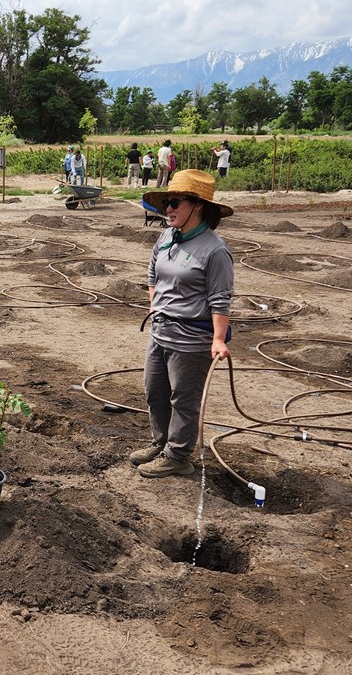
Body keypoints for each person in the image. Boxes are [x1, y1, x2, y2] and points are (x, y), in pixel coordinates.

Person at [129, 169, 235, 479]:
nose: (168, 209)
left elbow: (220, 299)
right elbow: (152, 276)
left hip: (191, 340)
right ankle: (161, 443)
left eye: (175, 202)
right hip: (161, 331)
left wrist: (218, 339)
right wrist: (157, 307)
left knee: (183, 399)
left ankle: (178, 455)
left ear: (198, 205)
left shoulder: (214, 250)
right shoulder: (166, 237)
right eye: (166, 204)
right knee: (155, 392)